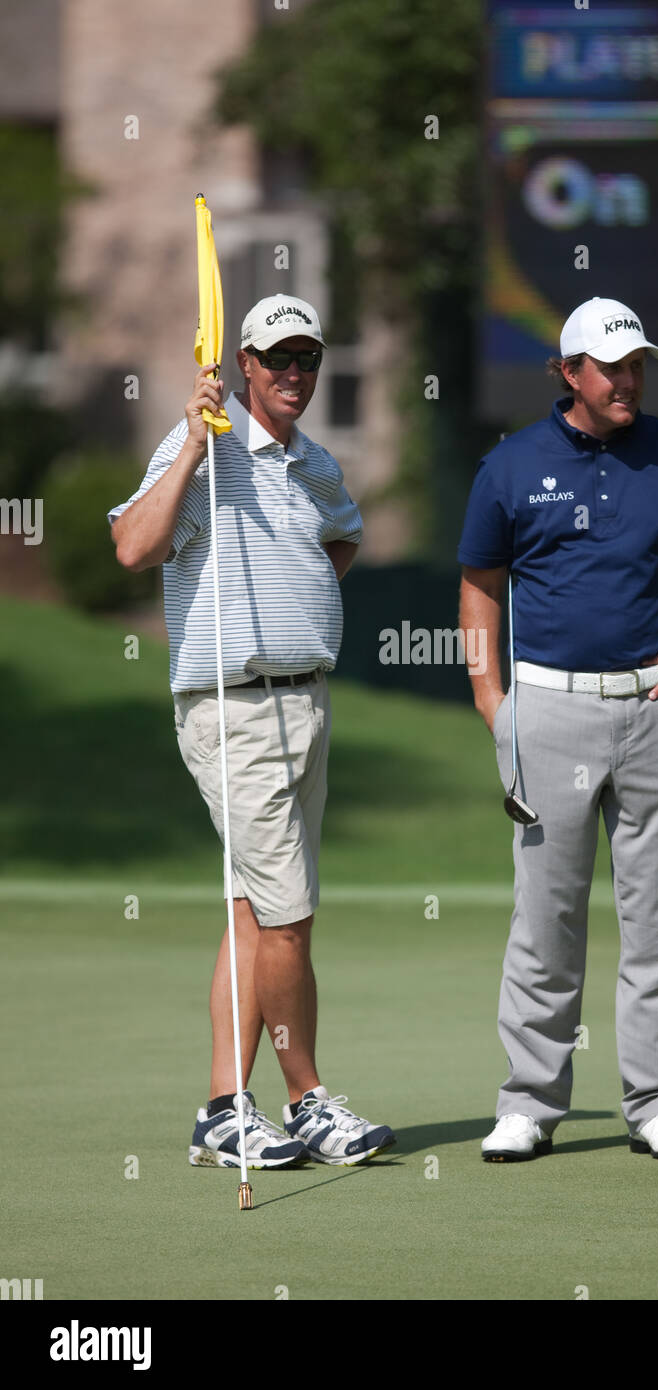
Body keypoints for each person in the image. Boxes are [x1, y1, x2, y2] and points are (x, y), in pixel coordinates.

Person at [457, 296, 658, 1162]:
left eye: (638, 364)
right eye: (611, 367)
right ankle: (528, 1102)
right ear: (570, 373)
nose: (628, 380)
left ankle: (656, 1101)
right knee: (546, 919)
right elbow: (480, 584)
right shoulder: (512, 465)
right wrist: (495, 703)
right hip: (548, 710)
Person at [109, 294, 395, 1170]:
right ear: (243, 365)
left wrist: (295, 600)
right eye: (276, 359)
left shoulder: (313, 461)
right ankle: (307, 1099)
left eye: (307, 357)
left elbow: (342, 539)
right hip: (231, 708)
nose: (293, 373)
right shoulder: (200, 447)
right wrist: (195, 444)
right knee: (289, 921)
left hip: (305, 702)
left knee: (251, 912)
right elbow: (131, 545)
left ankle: (223, 1110)